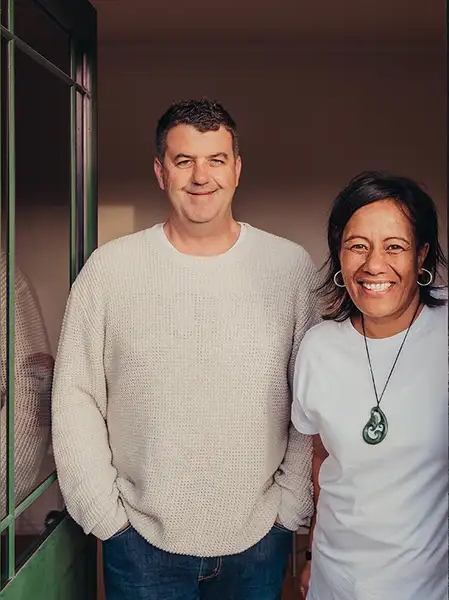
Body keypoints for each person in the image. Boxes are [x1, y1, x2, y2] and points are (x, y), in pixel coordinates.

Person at [52, 98, 321, 599]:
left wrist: (290, 509)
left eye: (216, 159)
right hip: (138, 541)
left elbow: (310, 398)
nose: (202, 176)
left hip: (260, 538)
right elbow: (75, 395)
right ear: (161, 171)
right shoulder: (110, 270)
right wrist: (104, 517)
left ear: (237, 169)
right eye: (184, 161)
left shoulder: (289, 269)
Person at [292, 171, 448, 600]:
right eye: (357, 246)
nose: (373, 265)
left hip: (431, 586)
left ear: (422, 256)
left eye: (394, 247)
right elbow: (321, 461)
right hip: (336, 581)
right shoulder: (318, 348)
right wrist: (309, 558)